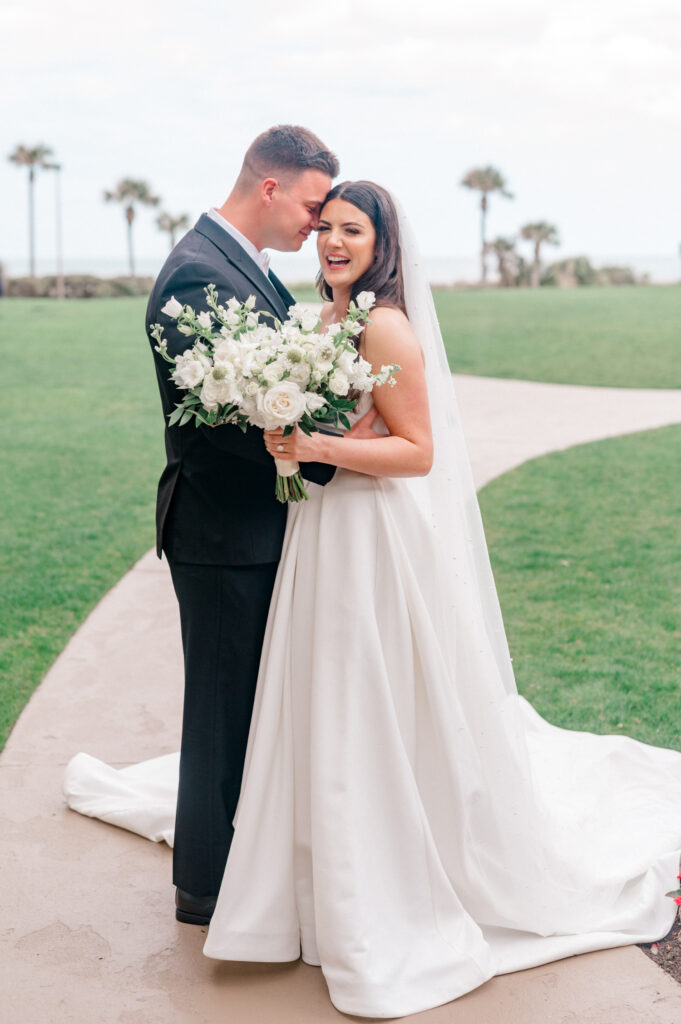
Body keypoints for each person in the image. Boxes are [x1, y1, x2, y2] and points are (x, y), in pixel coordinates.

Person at [66, 181, 681, 1019]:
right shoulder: (318, 317)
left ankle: (373, 879)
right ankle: (310, 869)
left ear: (382, 241)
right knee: (318, 697)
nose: (332, 242)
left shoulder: (383, 321)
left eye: (351, 230)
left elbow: (419, 450)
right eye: (325, 228)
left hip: (365, 540)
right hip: (315, 536)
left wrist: (310, 443)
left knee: (364, 697)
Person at [143, 125, 343, 926]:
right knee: (221, 713)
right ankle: (206, 889)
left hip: (253, 530)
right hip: (223, 535)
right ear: (270, 189)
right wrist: (331, 455)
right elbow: (227, 426)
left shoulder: (250, 268)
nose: (317, 225)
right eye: (310, 205)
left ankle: (245, 862)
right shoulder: (197, 275)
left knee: (250, 708)